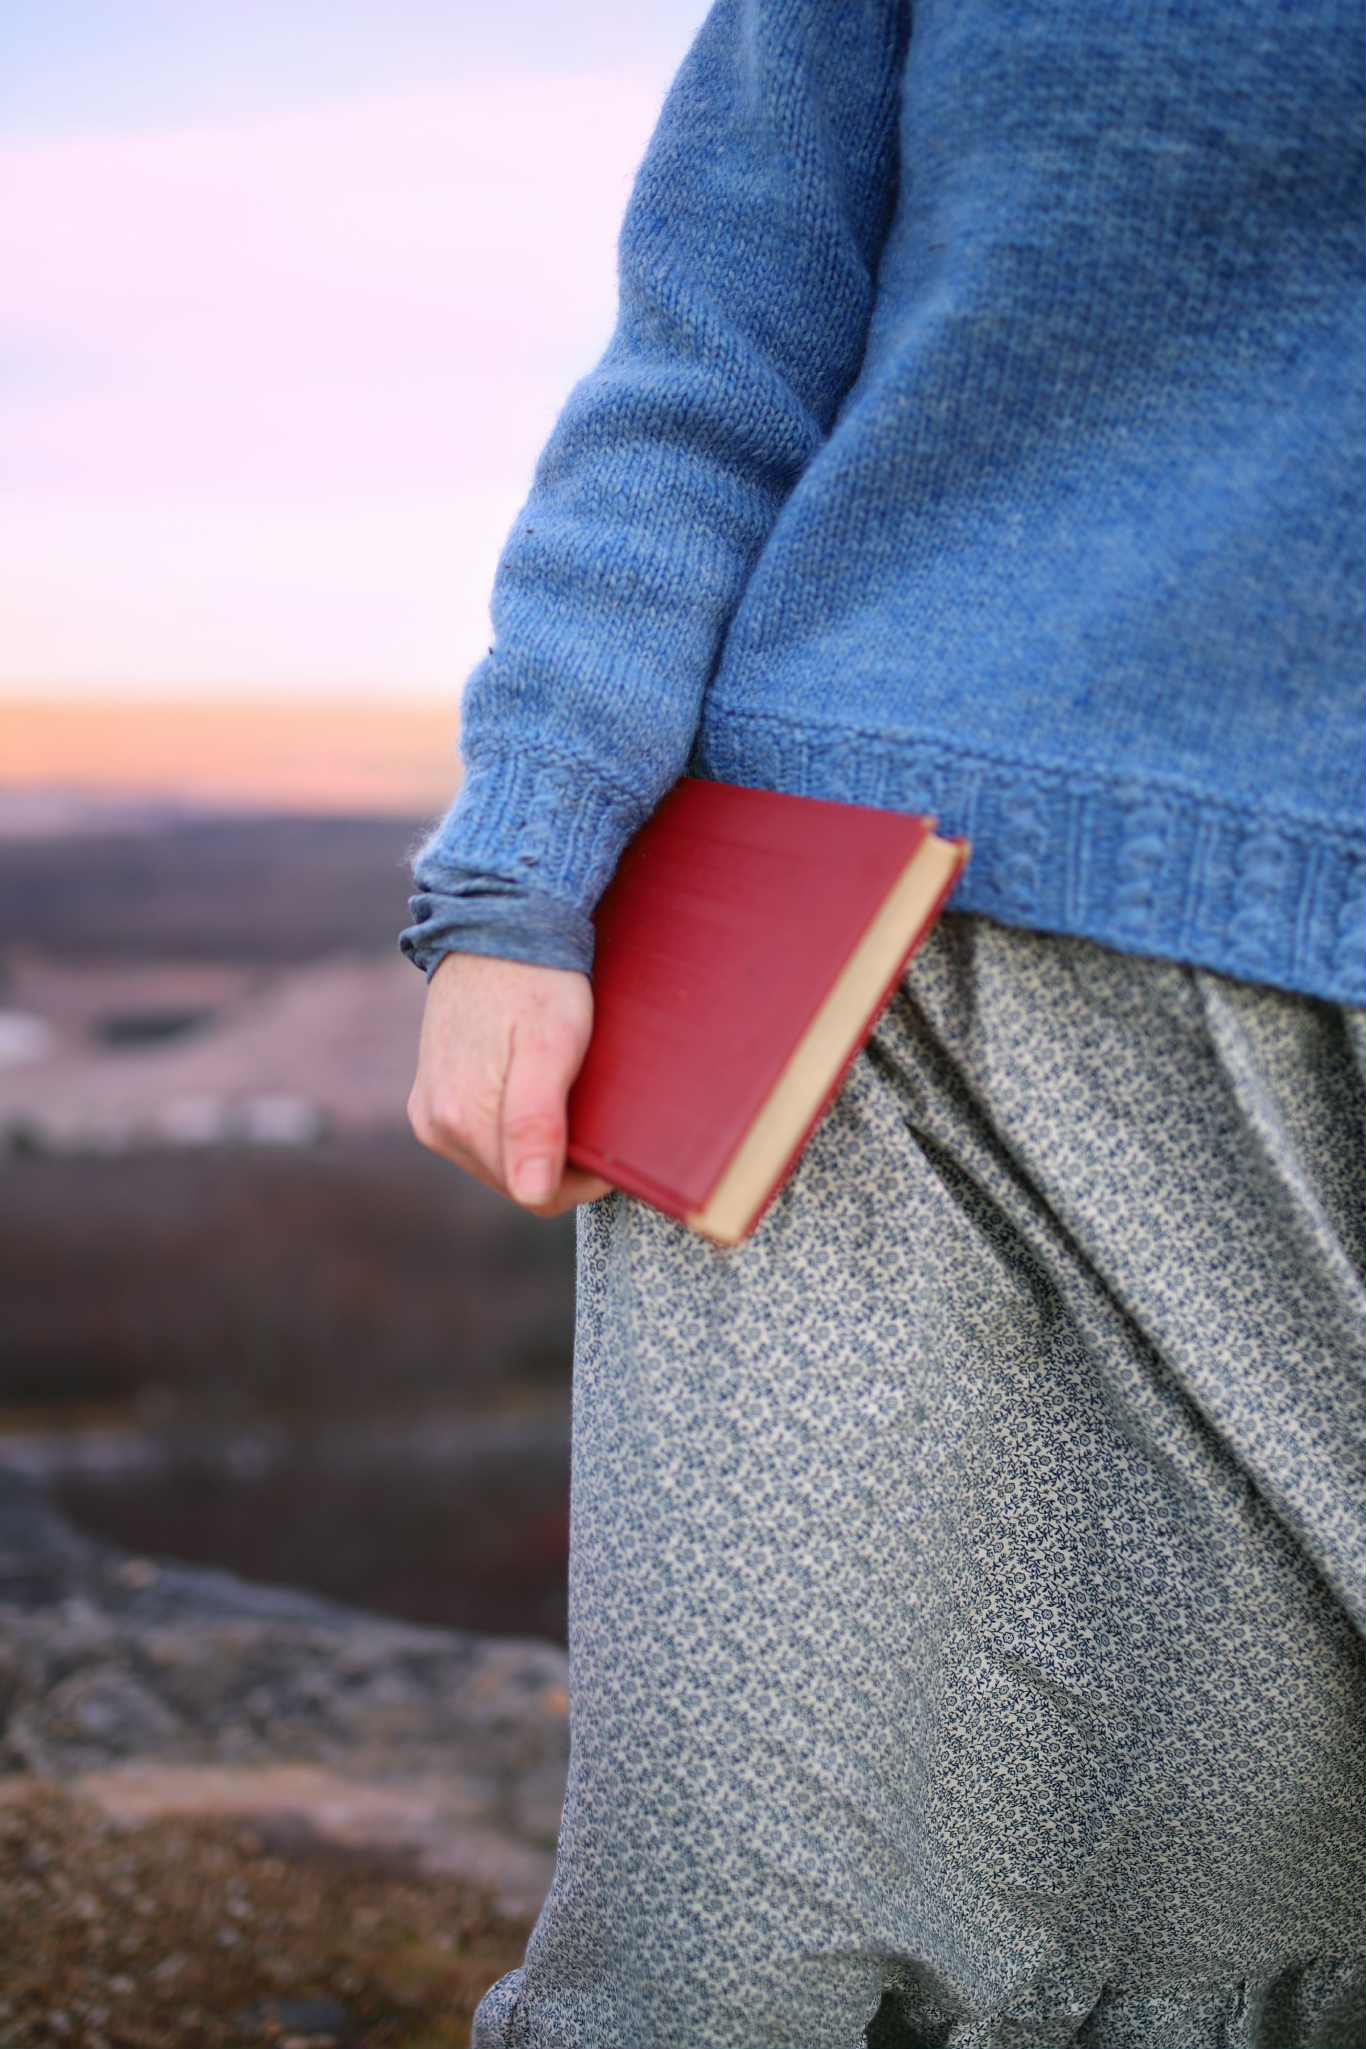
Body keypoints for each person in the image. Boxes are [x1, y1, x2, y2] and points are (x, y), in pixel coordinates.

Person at [399, 1, 1366, 2042]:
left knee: (1275, 1942)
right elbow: (707, 354)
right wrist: (520, 869)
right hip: (855, 997)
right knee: (730, 1941)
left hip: (1320, 1073)